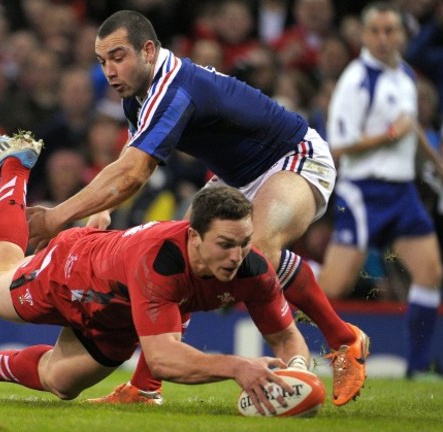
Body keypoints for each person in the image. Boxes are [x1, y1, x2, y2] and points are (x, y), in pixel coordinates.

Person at [20, 10, 368, 407]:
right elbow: (129, 164)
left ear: (148, 50)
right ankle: (145, 389)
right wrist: (97, 212)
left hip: (292, 156)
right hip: (234, 177)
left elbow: (132, 173)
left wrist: (55, 217)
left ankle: (343, 341)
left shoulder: (173, 88)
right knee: (184, 259)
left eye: (118, 57)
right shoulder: (137, 99)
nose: (110, 70)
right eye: (102, 62)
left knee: (256, 252)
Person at [0, 133, 312, 415]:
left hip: (121, 309)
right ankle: (14, 167)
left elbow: (285, 337)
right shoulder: (159, 263)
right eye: (225, 244)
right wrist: (238, 367)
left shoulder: (254, 268)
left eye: (244, 242)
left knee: (61, 384)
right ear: (194, 237)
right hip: (74, 272)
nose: (237, 255)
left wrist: (299, 380)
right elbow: (163, 359)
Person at [318, 2, 443, 380]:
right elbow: (339, 145)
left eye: (390, 31)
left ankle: (417, 366)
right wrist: (387, 136)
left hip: (402, 191)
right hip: (363, 192)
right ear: (364, 36)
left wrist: (436, 164)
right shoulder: (356, 79)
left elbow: (409, 127)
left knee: (430, 272)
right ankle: (281, 278)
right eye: (375, 31)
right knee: (335, 283)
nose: (383, 38)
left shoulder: (405, 75)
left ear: (401, 35)